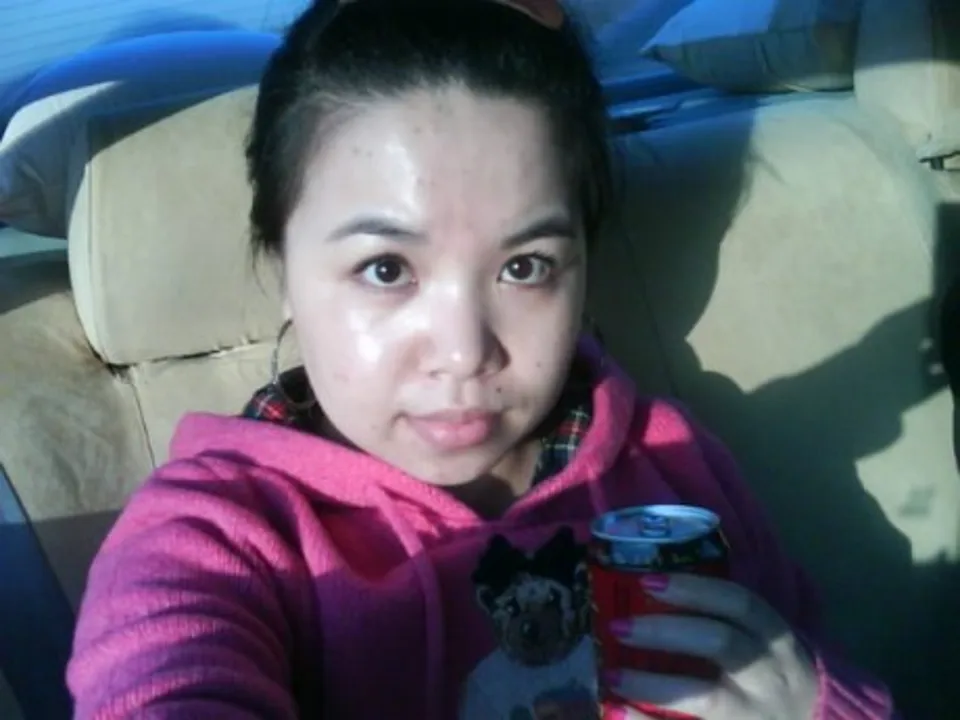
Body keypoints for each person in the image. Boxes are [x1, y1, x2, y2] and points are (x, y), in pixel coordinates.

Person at [66, 0, 898, 718]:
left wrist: (817, 704)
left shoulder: (673, 469)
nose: (465, 353)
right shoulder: (213, 539)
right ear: (283, 268)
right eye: (385, 269)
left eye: (525, 266)